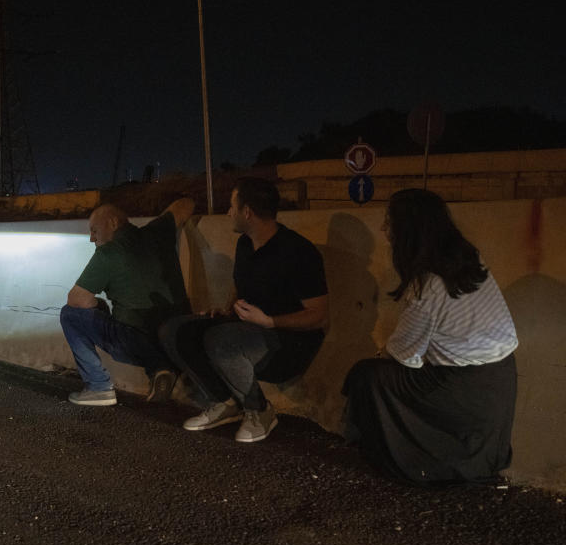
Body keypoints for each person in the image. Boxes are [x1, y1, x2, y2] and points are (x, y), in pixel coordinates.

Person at [342, 189, 518, 485]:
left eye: (389, 222)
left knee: (367, 375)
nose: (385, 229)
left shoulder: (426, 284)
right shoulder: (469, 258)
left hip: (460, 386)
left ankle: (399, 458)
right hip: (501, 378)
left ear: (409, 229)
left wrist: (378, 355)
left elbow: (404, 356)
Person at [159, 177, 329, 442]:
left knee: (221, 339)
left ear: (247, 212)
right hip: (246, 329)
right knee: (175, 330)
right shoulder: (245, 244)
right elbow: (241, 288)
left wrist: (270, 321)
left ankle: (259, 411)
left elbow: (318, 316)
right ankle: (224, 403)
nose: (228, 212)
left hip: (289, 343)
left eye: (232, 206)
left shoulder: (298, 252)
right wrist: (226, 311)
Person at [61, 198, 194, 406]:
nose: (91, 238)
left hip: (135, 341)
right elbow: (187, 204)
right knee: (146, 322)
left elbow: (77, 300)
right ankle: (161, 368)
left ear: (113, 223)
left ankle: (99, 388)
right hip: (178, 334)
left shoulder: (108, 253)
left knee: (70, 314)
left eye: (94, 230)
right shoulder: (158, 232)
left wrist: (100, 306)